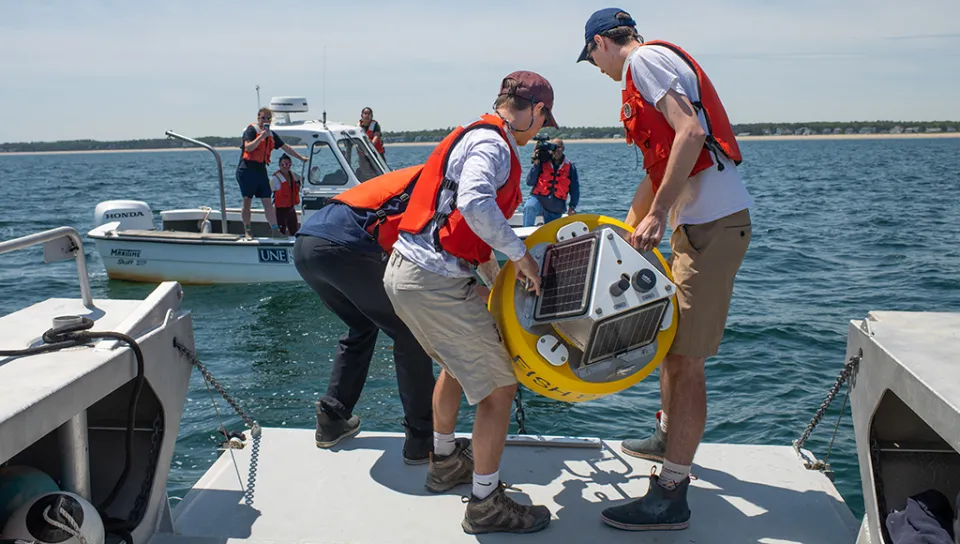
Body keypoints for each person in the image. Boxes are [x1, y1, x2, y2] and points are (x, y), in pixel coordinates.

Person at [576, 7, 754, 532]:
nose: (596, 69)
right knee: (669, 345)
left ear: (603, 44)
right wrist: (621, 234)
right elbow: (659, 171)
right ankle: (666, 433)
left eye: (591, 58)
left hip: (712, 229)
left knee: (685, 360)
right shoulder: (649, 68)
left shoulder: (644, 62)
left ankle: (672, 492)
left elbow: (691, 132)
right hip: (694, 229)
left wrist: (656, 217)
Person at [381, 71, 556, 535]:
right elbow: (477, 204)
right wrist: (522, 259)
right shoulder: (495, 145)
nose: (540, 131)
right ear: (535, 110)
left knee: (456, 367)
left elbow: (454, 220)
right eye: (544, 120)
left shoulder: (472, 133)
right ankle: (485, 503)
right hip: (433, 280)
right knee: (499, 390)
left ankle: (444, 462)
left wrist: (495, 280)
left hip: (406, 273)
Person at [292, 165, 437, 462]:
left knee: (361, 324)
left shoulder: (413, 176)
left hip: (306, 244)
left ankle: (333, 416)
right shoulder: (436, 183)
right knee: (410, 333)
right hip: (342, 248)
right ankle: (422, 441)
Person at [236, 107, 308, 239]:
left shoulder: (272, 135)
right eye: (263, 118)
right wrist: (261, 137)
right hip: (246, 170)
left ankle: (275, 230)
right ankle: (247, 230)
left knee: (267, 201)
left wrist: (301, 158)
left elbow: (285, 147)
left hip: (260, 169)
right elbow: (248, 147)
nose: (266, 120)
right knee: (247, 201)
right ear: (258, 118)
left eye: (268, 118)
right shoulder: (252, 131)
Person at [521, 138, 579, 227]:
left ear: (563, 148)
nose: (556, 150)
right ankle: (526, 235)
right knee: (529, 207)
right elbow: (529, 182)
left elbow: (574, 189)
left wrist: (572, 207)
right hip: (538, 199)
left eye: (559, 147)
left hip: (555, 206)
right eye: (554, 147)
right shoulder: (542, 162)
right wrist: (536, 163)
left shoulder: (570, 167)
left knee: (551, 231)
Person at [270, 154, 302, 236]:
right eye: (283, 164)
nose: (286, 166)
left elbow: (303, 180)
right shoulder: (275, 179)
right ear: (279, 165)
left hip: (291, 209)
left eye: (288, 164)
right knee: (281, 231)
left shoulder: (294, 176)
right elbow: (269, 192)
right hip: (280, 210)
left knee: (295, 231)